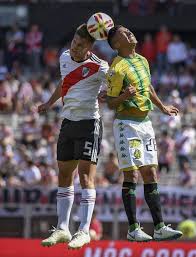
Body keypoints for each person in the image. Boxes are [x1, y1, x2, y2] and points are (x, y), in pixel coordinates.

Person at [106, 25, 182, 242]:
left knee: (151, 173)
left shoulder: (142, 60)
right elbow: (111, 103)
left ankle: (159, 227)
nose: (130, 33)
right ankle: (133, 228)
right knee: (132, 174)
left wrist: (162, 107)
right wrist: (123, 96)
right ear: (116, 44)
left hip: (145, 123)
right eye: (124, 33)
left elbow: (148, 88)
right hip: (126, 125)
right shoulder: (116, 68)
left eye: (129, 30)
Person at [38, 24, 108, 249]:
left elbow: (114, 87)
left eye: (80, 45)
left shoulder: (100, 67)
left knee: (86, 177)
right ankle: (62, 228)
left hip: (89, 124)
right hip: (68, 123)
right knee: (64, 174)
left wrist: (112, 94)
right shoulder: (65, 57)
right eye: (73, 43)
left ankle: (85, 230)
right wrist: (50, 102)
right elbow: (65, 82)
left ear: (89, 47)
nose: (75, 47)